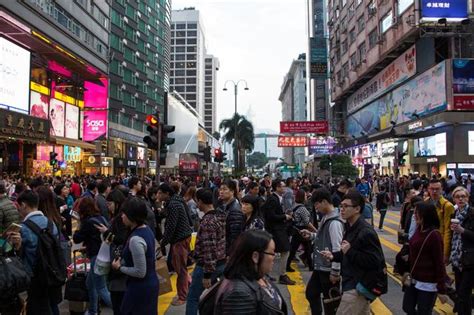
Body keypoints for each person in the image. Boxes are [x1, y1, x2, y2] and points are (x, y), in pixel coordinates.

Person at [320, 189, 386, 315]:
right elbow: (347, 253)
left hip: (358, 286)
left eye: (346, 206)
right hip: (351, 283)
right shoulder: (349, 226)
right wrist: (334, 256)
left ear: (357, 209)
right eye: (341, 206)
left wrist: (349, 252)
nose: (342, 209)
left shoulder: (365, 232)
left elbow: (374, 261)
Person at [214, 230, 288, 314]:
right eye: (272, 253)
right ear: (255, 256)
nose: (274, 257)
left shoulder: (259, 276)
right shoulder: (239, 294)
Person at [16, 190, 62, 315]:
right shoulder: (51, 223)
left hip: (34, 276)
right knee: (52, 305)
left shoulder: (24, 228)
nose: (18, 210)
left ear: (24, 205)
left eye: (19, 206)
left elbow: (20, 253)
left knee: (37, 308)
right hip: (53, 273)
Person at [111, 198, 158, 315]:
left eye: (124, 214)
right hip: (149, 284)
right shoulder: (146, 229)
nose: (121, 216)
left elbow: (140, 272)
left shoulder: (135, 240)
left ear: (132, 216)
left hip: (140, 288)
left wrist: (119, 268)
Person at [302, 188, 344, 315]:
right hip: (320, 266)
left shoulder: (334, 223)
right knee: (311, 293)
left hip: (328, 269)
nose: (316, 208)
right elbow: (323, 237)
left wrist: (335, 272)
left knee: (330, 301)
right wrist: (312, 236)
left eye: (317, 204)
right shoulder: (327, 217)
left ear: (325, 202)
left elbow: (337, 249)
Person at [402, 202, 449, 314]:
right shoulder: (419, 229)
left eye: (418, 213)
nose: (414, 215)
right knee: (407, 307)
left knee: (424, 311)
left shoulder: (434, 235)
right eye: (415, 212)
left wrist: (441, 289)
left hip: (428, 283)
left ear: (426, 215)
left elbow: (439, 263)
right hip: (413, 279)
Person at [186, 188, 227, 315]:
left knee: (192, 297)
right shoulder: (220, 215)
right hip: (221, 262)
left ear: (201, 201)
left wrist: (207, 275)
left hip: (207, 266)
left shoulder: (208, 222)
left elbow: (209, 249)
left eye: (197, 201)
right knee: (213, 295)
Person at [72, 197, 112, 315]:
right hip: (104, 255)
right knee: (90, 284)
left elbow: (76, 238)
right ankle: (93, 310)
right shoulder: (101, 218)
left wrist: (79, 223)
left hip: (97, 257)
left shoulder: (88, 222)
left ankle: (121, 309)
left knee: (101, 288)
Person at [158, 183, 193, 306]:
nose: (158, 195)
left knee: (180, 269)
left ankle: (182, 296)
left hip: (180, 239)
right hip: (182, 237)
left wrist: (163, 242)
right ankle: (188, 285)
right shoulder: (176, 201)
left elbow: (171, 226)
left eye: (160, 193)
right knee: (180, 266)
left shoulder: (173, 204)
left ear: (167, 193)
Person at [261, 179, 295, 285]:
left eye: (284, 186)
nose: (284, 188)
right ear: (277, 187)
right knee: (285, 250)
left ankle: (267, 274)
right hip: (275, 230)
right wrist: (285, 216)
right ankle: (282, 275)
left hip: (277, 229)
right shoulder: (273, 199)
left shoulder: (277, 198)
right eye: (282, 186)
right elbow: (270, 216)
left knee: (273, 251)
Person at [449, 186, 474, 315]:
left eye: (463, 196)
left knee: (464, 293)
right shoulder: (454, 214)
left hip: (469, 260)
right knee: (461, 293)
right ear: (454, 199)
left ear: (468, 198)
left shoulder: (472, 213)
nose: (460, 199)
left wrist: (462, 231)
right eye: (457, 197)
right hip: (457, 259)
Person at [427, 179, 455, 263]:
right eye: (432, 189)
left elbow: (448, 230)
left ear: (442, 189)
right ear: (428, 189)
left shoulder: (447, 206)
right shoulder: (425, 203)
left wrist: (446, 253)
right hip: (426, 242)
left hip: (439, 243)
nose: (434, 191)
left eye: (437, 189)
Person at [287, 189, 314, 272]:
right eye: (305, 195)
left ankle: (287, 265)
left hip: (296, 229)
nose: (307, 197)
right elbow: (307, 222)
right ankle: (310, 266)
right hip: (302, 229)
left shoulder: (294, 205)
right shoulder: (302, 208)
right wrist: (315, 229)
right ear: (302, 197)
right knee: (308, 248)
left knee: (293, 249)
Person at [218, 179, 245, 255]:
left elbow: (235, 236)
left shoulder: (235, 209)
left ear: (232, 192)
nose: (221, 192)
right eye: (220, 189)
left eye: (225, 189)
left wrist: (230, 254)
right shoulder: (224, 205)